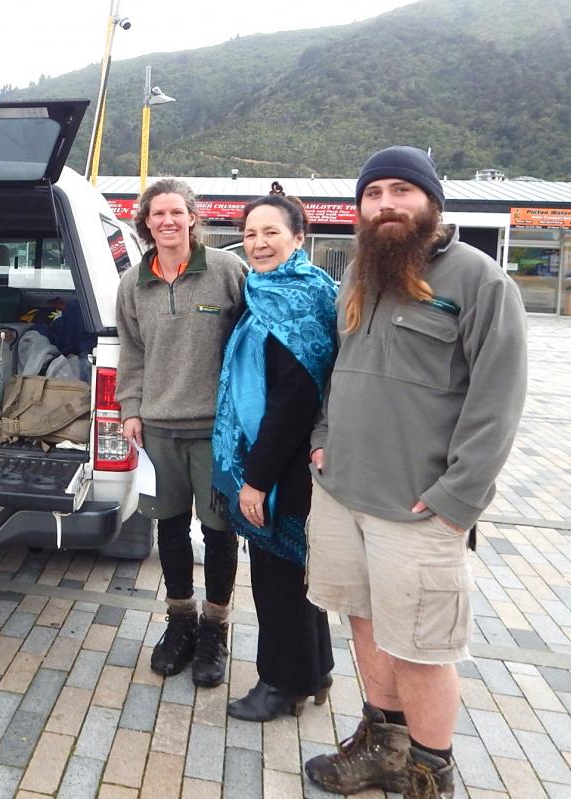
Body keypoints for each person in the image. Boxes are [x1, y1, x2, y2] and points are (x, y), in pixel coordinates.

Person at [303, 147, 527, 799]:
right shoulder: (358, 277)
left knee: (423, 648)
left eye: (402, 190)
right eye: (373, 194)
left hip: (421, 508)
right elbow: (337, 373)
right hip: (342, 494)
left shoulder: (480, 282)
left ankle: (430, 774)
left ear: (432, 202)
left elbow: (499, 398)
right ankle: (383, 746)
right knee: (366, 623)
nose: (386, 204)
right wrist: (321, 438)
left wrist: (460, 496)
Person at [211, 191, 337, 721]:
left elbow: (292, 401)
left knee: (276, 577)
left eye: (272, 233)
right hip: (270, 456)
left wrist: (255, 480)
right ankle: (317, 670)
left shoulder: (303, 297)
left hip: (284, 465)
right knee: (294, 573)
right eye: (253, 233)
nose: (259, 243)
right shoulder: (262, 289)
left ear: (299, 238)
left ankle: (281, 684)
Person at [115, 177, 246, 685]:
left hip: (216, 432)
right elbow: (132, 353)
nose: (167, 222)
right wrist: (131, 409)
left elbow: (251, 342)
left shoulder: (226, 271)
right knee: (168, 530)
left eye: (176, 212)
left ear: (193, 217)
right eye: (157, 214)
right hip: (158, 433)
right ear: (145, 223)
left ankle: (215, 629)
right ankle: (180, 623)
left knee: (218, 532)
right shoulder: (133, 284)